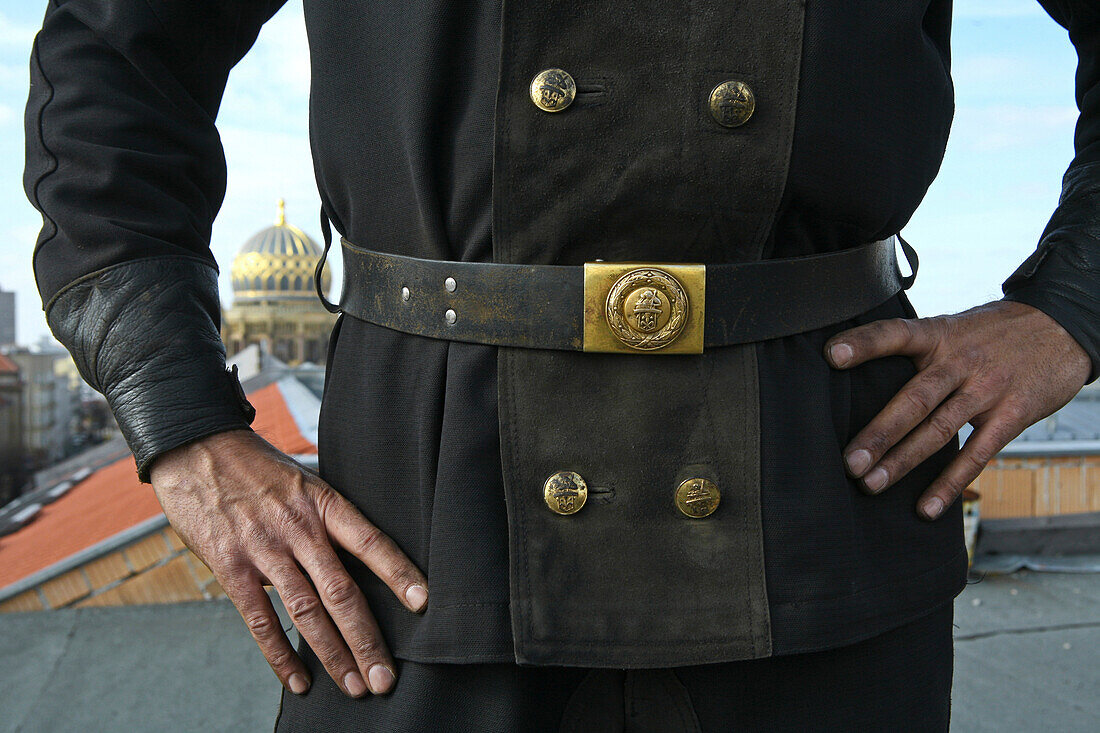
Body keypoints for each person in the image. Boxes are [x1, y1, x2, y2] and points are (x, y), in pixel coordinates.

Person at [24, 1, 1097, 730]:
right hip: (425, 517)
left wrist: (1068, 305)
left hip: (820, 499)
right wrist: (183, 425)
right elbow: (114, 63)